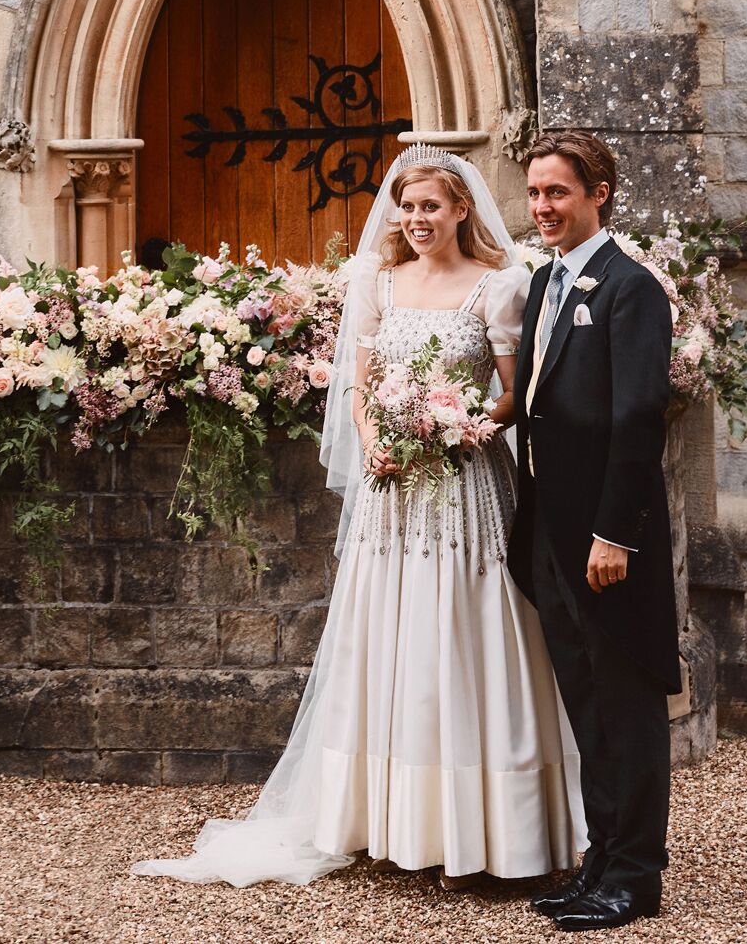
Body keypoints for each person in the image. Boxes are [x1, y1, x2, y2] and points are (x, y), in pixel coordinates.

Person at [134, 144, 583, 887]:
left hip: (464, 486)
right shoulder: (377, 279)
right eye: (407, 208)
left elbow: (513, 392)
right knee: (392, 635)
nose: (416, 220)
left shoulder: (499, 287)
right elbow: (358, 387)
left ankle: (488, 829)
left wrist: (461, 425)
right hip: (392, 491)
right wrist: (379, 442)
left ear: (461, 210)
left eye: (430, 207)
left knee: (466, 636)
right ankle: (387, 819)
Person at [511, 131, 677, 930]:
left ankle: (636, 876)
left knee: (627, 703)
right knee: (586, 703)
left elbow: (639, 416)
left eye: (558, 193)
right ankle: (600, 858)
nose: (542, 207)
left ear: (599, 192)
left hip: (610, 544)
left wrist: (615, 532)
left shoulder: (631, 288)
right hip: (552, 532)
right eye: (535, 193)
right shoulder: (546, 281)